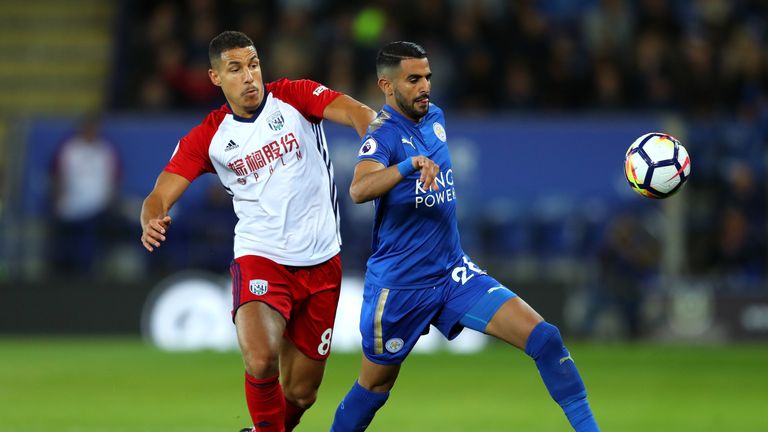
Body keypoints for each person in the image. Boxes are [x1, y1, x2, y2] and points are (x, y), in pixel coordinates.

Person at [331, 41, 600, 431]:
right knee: (374, 387)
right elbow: (358, 190)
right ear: (386, 86)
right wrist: (408, 166)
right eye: (413, 79)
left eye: (427, 77)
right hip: (401, 287)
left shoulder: (435, 117)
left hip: (453, 273)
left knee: (545, 339)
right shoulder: (384, 136)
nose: (425, 86)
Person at [139, 31, 376, 432]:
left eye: (253, 65)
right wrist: (152, 217)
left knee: (301, 393)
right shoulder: (210, 136)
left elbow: (355, 111)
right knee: (261, 359)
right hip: (260, 256)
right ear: (216, 77)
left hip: (321, 262)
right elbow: (160, 193)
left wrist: (375, 138)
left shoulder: (295, 96)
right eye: (235, 69)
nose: (249, 76)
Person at [51, 114, 121, 275]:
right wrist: (56, 200)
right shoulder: (69, 149)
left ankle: (86, 272)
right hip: (70, 205)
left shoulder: (106, 151)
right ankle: (64, 272)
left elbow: (114, 179)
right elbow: (57, 176)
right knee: (65, 241)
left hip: (97, 207)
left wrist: (109, 201)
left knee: (90, 238)